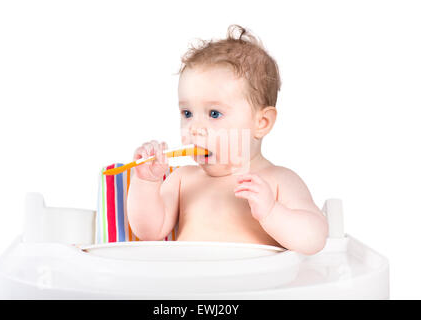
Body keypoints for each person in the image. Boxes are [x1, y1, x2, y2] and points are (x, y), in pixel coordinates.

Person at [127, 25, 327, 255]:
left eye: (214, 114)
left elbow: (315, 240)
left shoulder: (279, 180)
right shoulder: (182, 179)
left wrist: (272, 212)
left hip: (251, 287)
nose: (195, 128)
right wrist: (146, 183)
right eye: (187, 114)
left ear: (261, 123)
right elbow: (149, 231)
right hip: (188, 284)